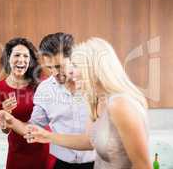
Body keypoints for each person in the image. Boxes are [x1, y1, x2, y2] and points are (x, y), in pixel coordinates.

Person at [24, 38, 152, 169]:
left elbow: (143, 165)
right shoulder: (95, 101)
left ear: (94, 68)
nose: (71, 72)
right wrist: (47, 136)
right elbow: (89, 141)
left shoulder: (120, 105)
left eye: (75, 65)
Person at [0, 33, 95, 169]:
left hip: (97, 163)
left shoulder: (95, 85)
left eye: (59, 66)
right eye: (49, 67)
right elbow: (33, 128)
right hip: (62, 165)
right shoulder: (45, 89)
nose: (54, 73)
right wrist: (10, 120)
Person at [0, 37, 51, 169]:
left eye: (26, 56)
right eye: (17, 55)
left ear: (30, 61)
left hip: (43, 146)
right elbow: (5, 130)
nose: (21, 60)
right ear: (8, 58)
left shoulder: (42, 83)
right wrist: (6, 114)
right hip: (17, 150)